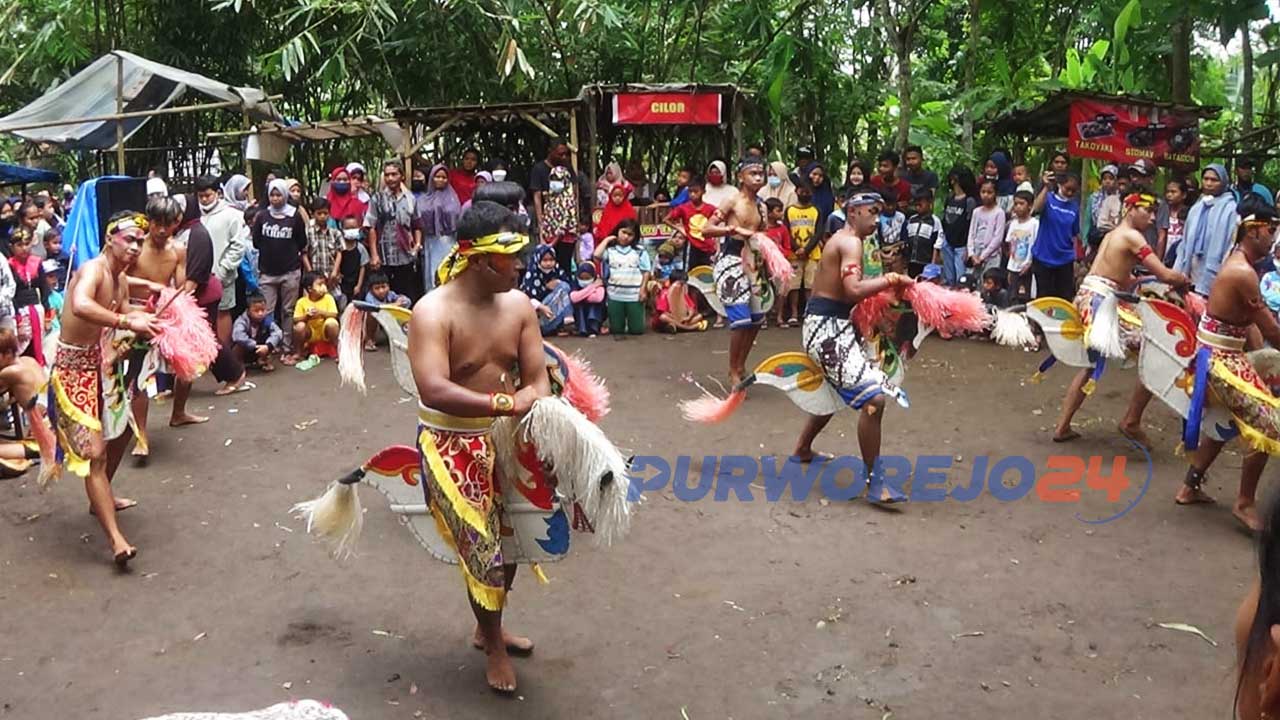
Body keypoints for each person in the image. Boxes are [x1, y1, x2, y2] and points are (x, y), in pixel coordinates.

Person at [406, 200, 554, 693]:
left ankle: (486, 626)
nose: (521, 265)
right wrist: (505, 402)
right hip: (450, 440)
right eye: (511, 258)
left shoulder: (518, 307)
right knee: (484, 548)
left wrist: (528, 400)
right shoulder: (432, 311)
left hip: (507, 434)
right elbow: (433, 387)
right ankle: (492, 645)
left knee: (514, 539)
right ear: (481, 259)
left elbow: (538, 381)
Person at [51, 211, 160, 567]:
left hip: (102, 365)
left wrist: (150, 325)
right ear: (110, 238)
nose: (135, 246)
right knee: (95, 454)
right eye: (129, 239)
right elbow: (82, 306)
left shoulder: (122, 280)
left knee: (125, 433)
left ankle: (102, 494)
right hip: (72, 370)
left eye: (139, 242)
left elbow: (127, 315)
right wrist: (126, 321)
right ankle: (115, 540)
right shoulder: (93, 270)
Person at [790, 191, 909, 503]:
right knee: (874, 400)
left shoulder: (849, 240)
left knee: (835, 391)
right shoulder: (850, 241)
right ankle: (876, 483)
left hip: (831, 326)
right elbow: (853, 289)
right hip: (827, 331)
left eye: (880, 212)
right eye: (872, 211)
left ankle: (803, 448)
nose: (877, 218)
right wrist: (892, 278)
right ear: (853, 212)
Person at [1175, 200, 1280, 530]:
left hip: (1221, 355)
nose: (1273, 239)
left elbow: (1252, 326)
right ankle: (1244, 503)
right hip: (1218, 361)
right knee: (1268, 424)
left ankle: (1189, 486)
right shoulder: (1243, 273)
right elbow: (1271, 331)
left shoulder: (1238, 262)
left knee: (1230, 418)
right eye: (1270, 231)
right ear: (1252, 231)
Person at [1050, 193, 1188, 444]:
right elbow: (1166, 275)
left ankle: (1062, 426)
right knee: (1157, 351)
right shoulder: (1132, 237)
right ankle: (1132, 420)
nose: (1153, 217)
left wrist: (1144, 281)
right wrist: (1184, 280)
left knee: (1092, 366)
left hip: (1089, 297)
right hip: (1101, 304)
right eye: (1148, 210)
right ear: (1131, 208)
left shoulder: (1112, 235)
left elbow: (1121, 279)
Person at [704, 158, 770, 383]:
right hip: (730, 260)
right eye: (753, 173)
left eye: (761, 173)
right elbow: (706, 229)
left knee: (757, 318)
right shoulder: (731, 200)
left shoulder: (762, 205)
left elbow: (763, 235)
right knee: (741, 320)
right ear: (741, 177)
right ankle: (733, 370)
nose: (758, 177)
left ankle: (741, 365)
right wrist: (731, 229)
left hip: (753, 263)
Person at [175, 193, 246, 398]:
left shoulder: (197, 234)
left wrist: (182, 297)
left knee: (207, 338)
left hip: (202, 292)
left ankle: (234, 373)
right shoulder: (186, 231)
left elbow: (196, 271)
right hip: (195, 291)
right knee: (201, 338)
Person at [254, 178, 309, 363]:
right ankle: (268, 346)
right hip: (267, 272)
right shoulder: (262, 216)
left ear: (285, 195)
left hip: (290, 271)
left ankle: (287, 347)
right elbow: (256, 242)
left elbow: (302, 241)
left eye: (279, 195)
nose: (275, 199)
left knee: (288, 311)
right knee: (266, 311)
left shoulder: (295, 216)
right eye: (272, 195)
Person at [195, 175, 247, 355]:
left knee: (223, 312)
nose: (203, 200)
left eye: (207, 195)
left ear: (217, 193)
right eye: (200, 196)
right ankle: (203, 352)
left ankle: (222, 353)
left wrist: (224, 269)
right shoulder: (194, 215)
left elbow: (238, 245)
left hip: (222, 274)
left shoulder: (232, 215)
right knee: (199, 315)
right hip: (197, 276)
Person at [1175, 164, 1241, 298]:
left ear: (1223, 182)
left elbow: (1231, 246)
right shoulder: (1196, 208)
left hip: (1214, 271)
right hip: (1191, 269)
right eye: (1206, 179)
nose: (1209, 183)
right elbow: (1185, 242)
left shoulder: (1231, 209)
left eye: (1214, 180)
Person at [365, 160, 422, 303]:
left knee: (406, 294)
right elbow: (371, 226)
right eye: (387, 175)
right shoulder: (377, 199)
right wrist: (374, 254)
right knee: (383, 295)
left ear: (401, 176)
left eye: (394, 174)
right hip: (384, 256)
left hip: (406, 256)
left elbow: (417, 224)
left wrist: (417, 245)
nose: (390, 178)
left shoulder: (410, 199)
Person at [593, 218, 650, 339]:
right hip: (615, 294)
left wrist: (643, 289)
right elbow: (596, 256)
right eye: (624, 232)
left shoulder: (639, 251)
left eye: (630, 234)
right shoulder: (610, 250)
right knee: (616, 330)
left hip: (634, 295)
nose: (626, 237)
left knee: (637, 330)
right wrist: (607, 239)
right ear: (618, 231)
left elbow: (646, 272)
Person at [1030, 171, 1082, 300]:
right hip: (1043, 256)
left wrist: (1076, 258)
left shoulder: (1074, 207)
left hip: (1064, 259)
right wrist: (1046, 187)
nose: (1070, 193)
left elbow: (1075, 234)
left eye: (1073, 191)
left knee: (1063, 298)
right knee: (1043, 296)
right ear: (1060, 185)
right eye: (1067, 189)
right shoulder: (1049, 199)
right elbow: (1035, 209)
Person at [417, 163, 463, 294]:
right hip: (430, 241)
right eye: (437, 176)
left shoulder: (453, 198)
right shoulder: (423, 199)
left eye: (444, 177)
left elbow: (457, 220)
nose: (441, 180)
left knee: (448, 272)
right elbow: (417, 221)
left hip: (448, 241)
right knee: (432, 274)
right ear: (431, 178)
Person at [6, 228, 48, 366]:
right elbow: (11, 292)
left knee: (39, 342)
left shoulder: (36, 262)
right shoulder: (9, 265)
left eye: (27, 244)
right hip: (18, 310)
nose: (24, 248)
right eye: (19, 245)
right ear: (12, 247)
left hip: (36, 308)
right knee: (21, 344)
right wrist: (18, 317)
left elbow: (44, 288)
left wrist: (47, 310)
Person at [786, 179, 822, 328]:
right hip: (794, 254)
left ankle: (809, 312)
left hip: (812, 254)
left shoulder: (816, 211)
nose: (805, 194)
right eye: (802, 191)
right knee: (794, 285)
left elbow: (818, 232)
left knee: (810, 285)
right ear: (796, 192)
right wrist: (797, 249)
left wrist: (806, 249)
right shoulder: (789, 210)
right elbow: (787, 232)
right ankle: (794, 313)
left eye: (808, 192)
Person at [664, 175, 717, 271]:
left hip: (708, 246)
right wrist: (680, 228)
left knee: (708, 273)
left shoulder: (710, 208)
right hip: (691, 245)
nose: (692, 194)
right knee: (689, 273)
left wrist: (717, 243)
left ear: (703, 192)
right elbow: (666, 219)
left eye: (696, 192)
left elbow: (719, 222)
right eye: (690, 192)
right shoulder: (683, 208)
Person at [522, 245, 573, 336]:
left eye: (551, 260)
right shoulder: (532, 275)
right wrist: (541, 306)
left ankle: (561, 324)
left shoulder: (557, 271)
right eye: (545, 260)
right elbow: (527, 298)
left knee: (564, 286)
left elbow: (569, 287)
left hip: (552, 312)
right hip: (537, 314)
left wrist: (557, 282)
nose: (549, 263)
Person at [530, 137, 575, 239]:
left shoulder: (567, 167)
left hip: (566, 221)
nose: (564, 157)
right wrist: (541, 223)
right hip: (548, 221)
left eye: (566, 154)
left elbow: (574, 190)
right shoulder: (539, 169)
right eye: (560, 154)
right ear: (550, 151)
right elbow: (537, 196)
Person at [941, 166, 978, 287]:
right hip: (948, 241)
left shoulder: (969, 201)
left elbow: (970, 224)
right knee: (949, 276)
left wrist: (968, 246)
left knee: (960, 277)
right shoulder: (949, 198)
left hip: (961, 244)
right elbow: (945, 219)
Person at [291, 271, 340, 364]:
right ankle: (298, 352)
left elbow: (334, 314)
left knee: (332, 323)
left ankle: (338, 351)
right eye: (319, 284)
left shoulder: (328, 298)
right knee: (299, 326)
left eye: (324, 284)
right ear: (310, 289)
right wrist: (306, 317)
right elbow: (295, 319)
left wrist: (321, 313)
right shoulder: (302, 301)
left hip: (324, 331)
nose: (323, 287)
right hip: (311, 332)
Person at [541, 165, 581, 275]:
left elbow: (565, 225)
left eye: (558, 179)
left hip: (564, 240)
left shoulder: (568, 201)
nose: (554, 182)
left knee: (562, 268)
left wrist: (553, 242)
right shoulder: (550, 198)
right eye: (553, 179)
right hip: (550, 240)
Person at [966, 178, 1007, 277]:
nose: (985, 195)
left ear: (995, 194)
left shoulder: (999, 213)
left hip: (991, 255)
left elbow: (998, 238)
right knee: (972, 281)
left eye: (989, 192)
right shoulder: (977, 211)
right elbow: (971, 233)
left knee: (988, 281)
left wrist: (983, 256)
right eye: (983, 192)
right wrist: (971, 253)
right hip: (975, 252)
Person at [232, 294, 282, 372]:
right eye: (256, 311)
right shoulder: (241, 321)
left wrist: (268, 346)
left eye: (263, 310)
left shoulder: (267, 320)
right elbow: (238, 336)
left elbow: (278, 332)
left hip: (261, 348)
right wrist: (254, 345)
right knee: (238, 345)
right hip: (247, 348)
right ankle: (238, 365)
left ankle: (264, 361)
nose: (260, 313)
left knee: (270, 340)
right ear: (248, 310)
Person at [763, 198, 794, 325]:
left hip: (780, 265)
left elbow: (787, 246)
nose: (781, 213)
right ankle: (763, 316)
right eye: (778, 211)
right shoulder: (762, 229)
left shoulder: (783, 229)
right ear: (769, 213)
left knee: (782, 290)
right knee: (764, 289)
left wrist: (781, 257)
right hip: (763, 264)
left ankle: (779, 316)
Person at [1005, 190, 1039, 300]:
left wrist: (1030, 263)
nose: (1018, 207)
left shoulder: (1034, 224)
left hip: (1027, 267)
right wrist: (1010, 268)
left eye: (1021, 204)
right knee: (1012, 296)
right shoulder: (1013, 223)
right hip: (1014, 267)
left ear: (1030, 206)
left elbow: (1036, 244)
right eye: (1015, 204)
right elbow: (1010, 245)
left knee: (1025, 297)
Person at [902, 187, 943, 278]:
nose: (918, 205)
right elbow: (906, 240)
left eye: (921, 202)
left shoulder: (935, 221)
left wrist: (933, 264)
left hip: (926, 262)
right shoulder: (912, 219)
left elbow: (937, 244)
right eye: (916, 202)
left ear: (929, 202)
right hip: (912, 262)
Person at [305, 198, 343, 285]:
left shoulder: (335, 233)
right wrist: (311, 273)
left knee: (333, 298)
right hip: (314, 275)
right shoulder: (308, 232)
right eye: (319, 213)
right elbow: (304, 254)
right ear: (313, 214)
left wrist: (335, 271)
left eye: (325, 213)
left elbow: (339, 253)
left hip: (332, 276)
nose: (322, 216)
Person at [334, 216, 370, 304]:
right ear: (342, 229)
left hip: (355, 283)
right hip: (342, 284)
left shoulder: (360, 248)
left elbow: (363, 267)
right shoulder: (339, 247)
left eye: (353, 228)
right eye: (347, 228)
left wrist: (358, 285)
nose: (351, 230)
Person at [593, 181, 637, 246]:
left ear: (624, 196)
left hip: (626, 241)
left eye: (620, 196)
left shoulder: (629, 209)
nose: (617, 198)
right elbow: (603, 225)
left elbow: (633, 226)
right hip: (609, 242)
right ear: (611, 196)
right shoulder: (607, 209)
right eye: (615, 196)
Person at [1088, 164, 1121, 247]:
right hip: (1096, 238)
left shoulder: (1121, 198)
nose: (1107, 181)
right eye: (1104, 179)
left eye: (1111, 178)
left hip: (1115, 239)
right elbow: (1088, 222)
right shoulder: (1094, 198)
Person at [569, 262, 605, 337]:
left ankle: (593, 328)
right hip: (581, 311)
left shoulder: (599, 283)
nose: (584, 280)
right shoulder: (575, 284)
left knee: (593, 305)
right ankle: (582, 329)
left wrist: (582, 296)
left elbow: (598, 298)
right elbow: (573, 298)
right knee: (579, 305)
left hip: (596, 312)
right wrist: (593, 287)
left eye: (587, 278)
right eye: (582, 278)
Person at [42, 226, 66, 292]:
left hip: (65, 287)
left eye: (60, 243)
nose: (58, 246)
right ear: (46, 244)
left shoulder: (64, 258)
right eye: (55, 243)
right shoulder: (45, 259)